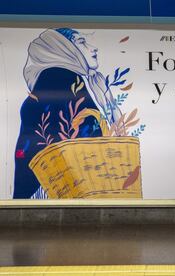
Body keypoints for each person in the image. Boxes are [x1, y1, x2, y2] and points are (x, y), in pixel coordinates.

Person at [14, 28, 121, 199]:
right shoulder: (63, 78)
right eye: (81, 42)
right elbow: (86, 136)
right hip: (61, 187)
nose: (93, 48)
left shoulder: (53, 78)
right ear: (63, 48)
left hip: (43, 186)